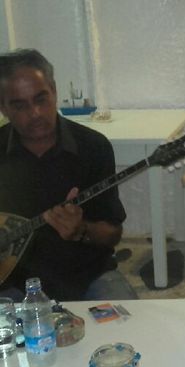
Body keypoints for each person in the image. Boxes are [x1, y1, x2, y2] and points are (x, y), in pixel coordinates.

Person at [0, 48, 136, 301]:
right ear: (3, 107)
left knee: (132, 332)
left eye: (41, 99)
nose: (35, 114)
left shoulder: (93, 147)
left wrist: (81, 230)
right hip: (11, 283)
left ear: (54, 91)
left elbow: (112, 235)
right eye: (20, 105)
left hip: (87, 276)